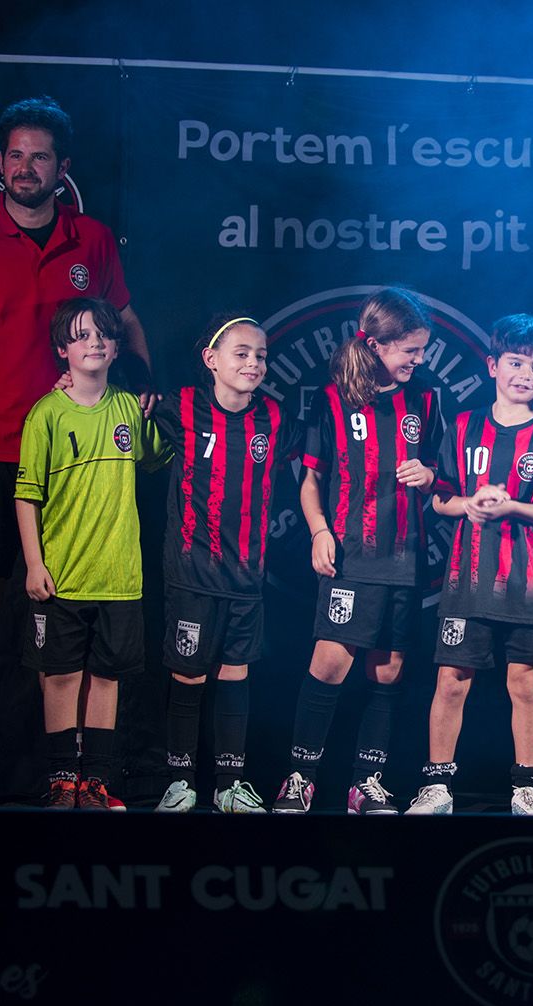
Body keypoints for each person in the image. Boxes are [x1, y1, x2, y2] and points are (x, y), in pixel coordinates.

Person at [0, 95, 151, 808]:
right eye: (14, 155)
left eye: (39, 156)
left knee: (82, 626)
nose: (25, 167)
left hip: (78, 459)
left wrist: (140, 390)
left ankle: (80, 779)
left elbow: (127, 324)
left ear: (61, 168)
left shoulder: (93, 240)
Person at [275, 287, 442, 814]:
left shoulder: (429, 399)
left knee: (389, 669)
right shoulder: (331, 400)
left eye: (422, 351)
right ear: (376, 344)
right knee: (329, 664)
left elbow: (445, 475)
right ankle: (299, 778)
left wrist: (431, 475)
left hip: (406, 555)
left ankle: (366, 784)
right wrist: (320, 530)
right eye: (410, 350)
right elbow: (310, 478)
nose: (419, 360)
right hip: (349, 555)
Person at [406, 315, 533, 816]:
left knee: (525, 684)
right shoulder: (462, 426)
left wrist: (512, 507)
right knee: (452, 680)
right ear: (493, 365)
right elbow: (439, 499)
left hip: (528, 584)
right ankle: (436, 787)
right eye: (517, 363)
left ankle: (526, 788)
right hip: (466, 581)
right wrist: (470, 504)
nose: (526, 373)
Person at [14, 299, 170, 808]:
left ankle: (97, 781)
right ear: (63, 349)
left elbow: (161, 456)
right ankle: (62, 780)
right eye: (81, 336)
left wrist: (165, 406)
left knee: (107, 680)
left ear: (117, 345)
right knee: (61, 678)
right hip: (62, 576)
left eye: (103, 334)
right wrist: (35, 565)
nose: (95, 342)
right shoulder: (46, 414)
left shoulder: (130, 408)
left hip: (120, 577)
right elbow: (26, 494)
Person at [152, 314, 300, 813]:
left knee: (235, 675)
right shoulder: (179, 407)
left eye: (260, 355)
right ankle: (179, 782)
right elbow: (125, 410)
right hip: (192, 574)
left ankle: (229, 785)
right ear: (211, 360)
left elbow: (318, 463)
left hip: (246, 579)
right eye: (241, 353)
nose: (254, 363)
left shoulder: (276, 419)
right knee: (189, 676)